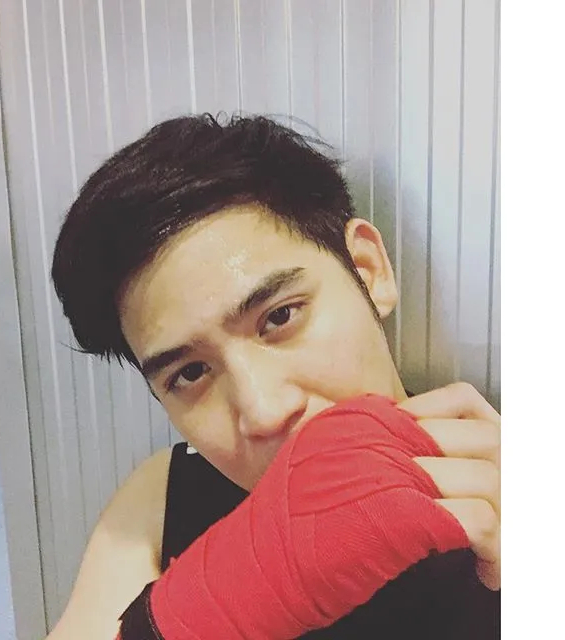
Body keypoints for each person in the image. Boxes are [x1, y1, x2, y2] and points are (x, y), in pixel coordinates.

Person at [48, 113, 500, 639]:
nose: (263, 410)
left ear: (368, 270)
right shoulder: (165, 495)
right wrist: (217, 603)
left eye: (280, 317)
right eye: (190, 373)